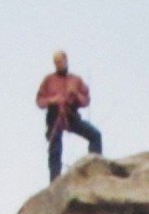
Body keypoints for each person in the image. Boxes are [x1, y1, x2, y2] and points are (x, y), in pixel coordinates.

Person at [36, 49, 102, 182]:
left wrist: (76, 95)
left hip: (71, 114)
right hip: (55, 117)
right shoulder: (49, 80)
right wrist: (53, 100)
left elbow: (86, 100)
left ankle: (96, 170)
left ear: (66, 60)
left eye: (60, 61)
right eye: (56, 63)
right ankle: (55, 181)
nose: (58, 65)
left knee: (95, 135)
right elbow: (40, 101)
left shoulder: (75, 80)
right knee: (55, 149)